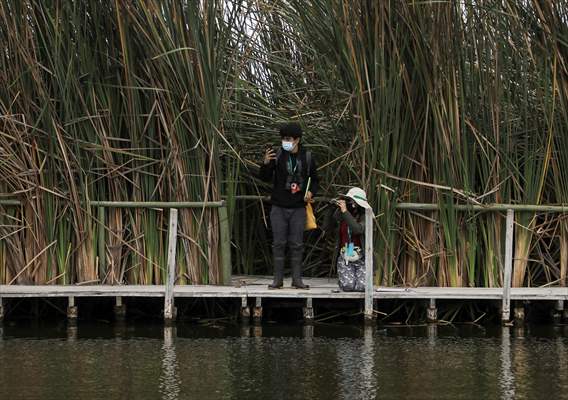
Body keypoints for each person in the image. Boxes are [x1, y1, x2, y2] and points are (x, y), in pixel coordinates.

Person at [259, 122, 319, 289]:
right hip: (278, 207)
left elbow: (315, 180)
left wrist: (311, 193)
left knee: (297, 244)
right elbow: (264, 177)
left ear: (297, 139)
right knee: (278, 243)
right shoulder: (277, 155)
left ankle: (297, 279)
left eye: (288, 139)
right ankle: (277, 280)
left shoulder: (307, 156)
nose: (285, 142)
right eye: (283, 139)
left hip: (299, 207)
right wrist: (265, 163)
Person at [326, 187, 372, 292]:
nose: (351, 204)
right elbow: (326, 228)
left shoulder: (365, 216)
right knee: (348, 286)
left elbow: (357, 229)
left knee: (362, 287)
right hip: (345, 257)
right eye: (349, 201)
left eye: (352, 201)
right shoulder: (340, 214)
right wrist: (330, 209)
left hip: (361, 258)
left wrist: (345, 211)